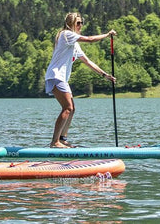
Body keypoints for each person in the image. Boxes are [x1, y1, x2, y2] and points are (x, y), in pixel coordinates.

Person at [43, 13, 116, 148]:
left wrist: (105, 75)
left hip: (61, 78)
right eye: (78, 23)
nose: (80, 25)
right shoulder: (66, 34)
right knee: (67, 108)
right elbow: (90, 39)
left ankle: (62, 139)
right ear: (70, 24)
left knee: (72, 109)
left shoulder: (74, 44)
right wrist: (107, 35)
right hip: (55, 76)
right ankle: (55, 142)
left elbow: (88, 62)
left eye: (81, 22)